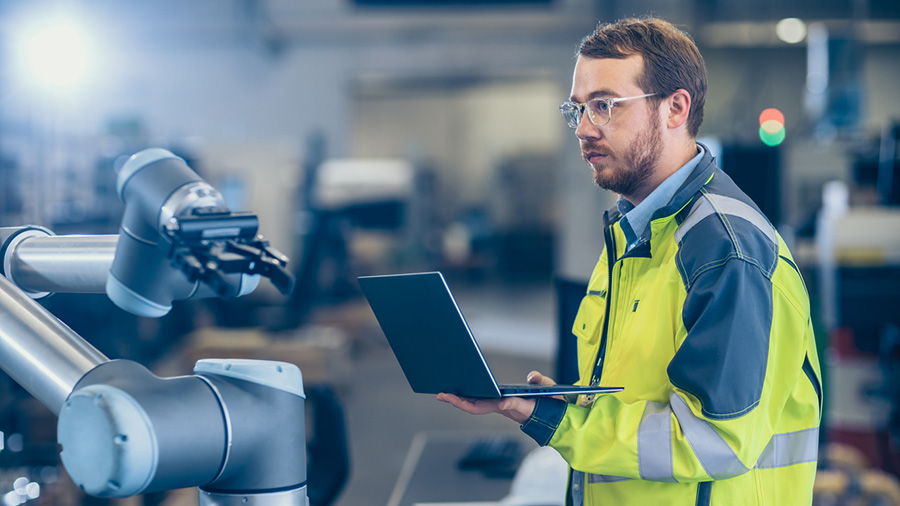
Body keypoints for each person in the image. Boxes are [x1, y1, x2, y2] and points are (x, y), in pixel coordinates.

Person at [438, 17, 822, 506]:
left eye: (604, 105)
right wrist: (549, 403)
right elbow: (630, 398)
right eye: (578, 109)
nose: (583, 129)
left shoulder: (725, 251)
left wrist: (554, 419)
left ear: (675, 108)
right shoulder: (634, 233)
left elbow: (713, 440)